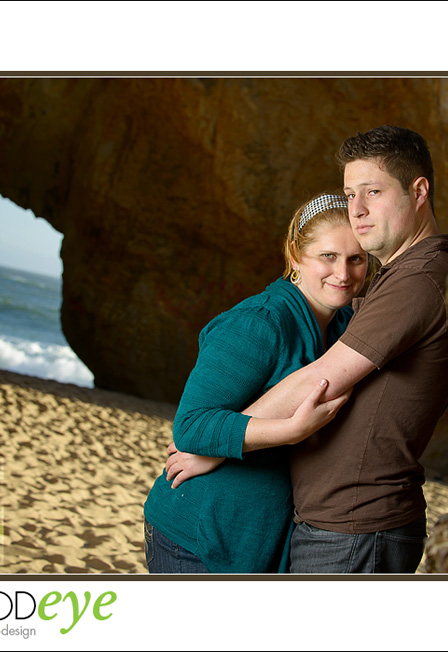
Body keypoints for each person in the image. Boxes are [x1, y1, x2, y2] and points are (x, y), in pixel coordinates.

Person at [173, 125, 448, 573]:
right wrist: (218, 436)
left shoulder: (418, 281)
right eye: (350, 194)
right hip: (330, 527)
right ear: (295, 256)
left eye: (373, 191)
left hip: (356, 528)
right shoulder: (386, 282)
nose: (358, 209)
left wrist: (218, 444)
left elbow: (320, 379)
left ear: (418, 191)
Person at [142, 191, 369, 573]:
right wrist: (290, 430)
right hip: (196, 537)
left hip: (258, 538)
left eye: (356, 259)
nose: (343, 274)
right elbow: (191, 427)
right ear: (296, 255)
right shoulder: (260, 323)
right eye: (327, 256)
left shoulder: (345, 328)